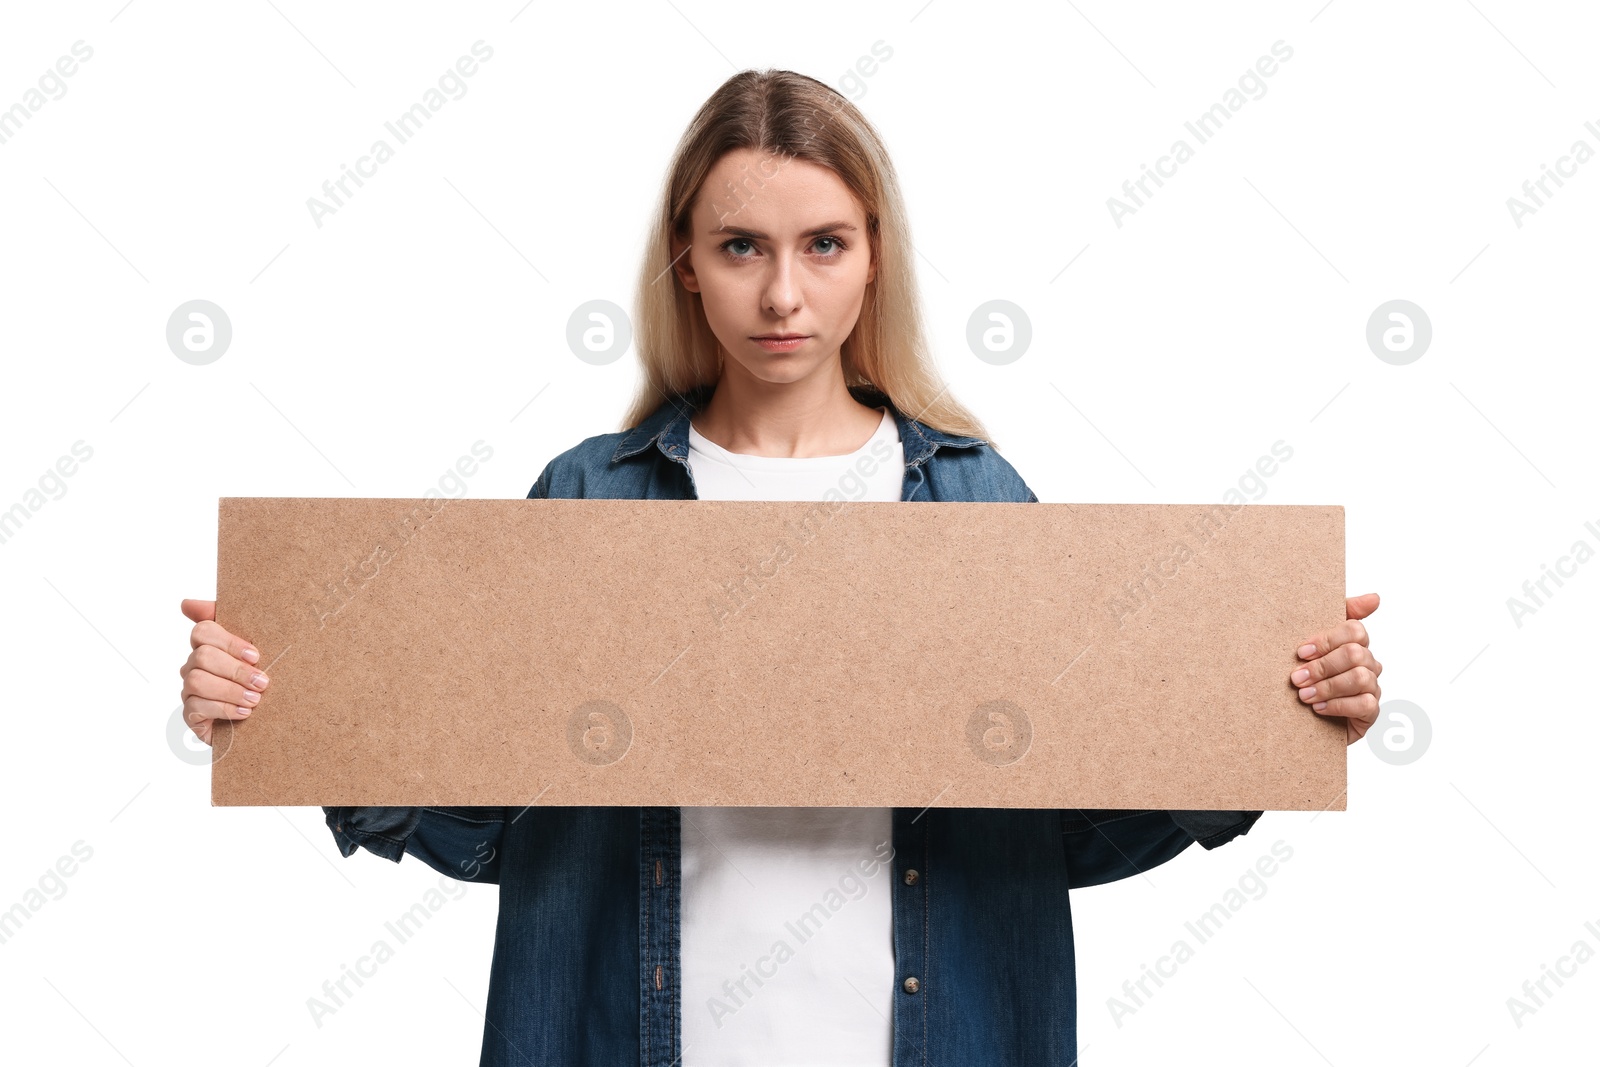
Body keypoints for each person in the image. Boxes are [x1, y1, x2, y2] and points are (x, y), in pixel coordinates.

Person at [178, 69, 1383, 1067]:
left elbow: (1059, 835)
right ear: (687, 262)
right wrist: (290, 709)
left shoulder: (973, 502)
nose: (784, 292)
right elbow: (500, 827)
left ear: (873, 260)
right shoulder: (592, 497)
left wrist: (1266, 717)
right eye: (742, 245)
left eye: (824, 244)